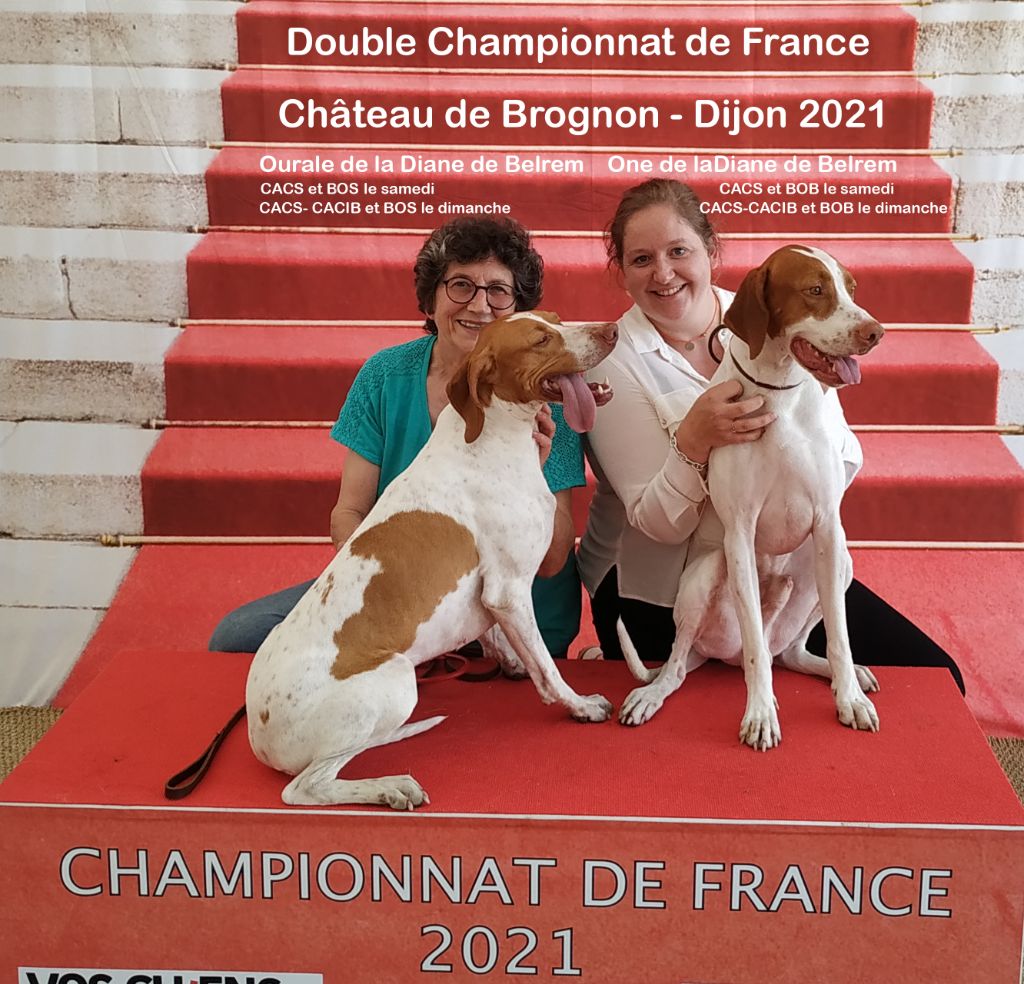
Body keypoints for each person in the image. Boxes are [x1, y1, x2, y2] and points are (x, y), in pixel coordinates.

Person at [578, 178, 965, 692]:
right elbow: (658, 525)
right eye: (642, 259)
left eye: (679, 251)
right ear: (622, 271)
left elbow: (843, 466)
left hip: (776, 567)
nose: (663, 273)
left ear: (710, 250)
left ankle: (790, 652)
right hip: (656, 585)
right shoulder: (614, 360)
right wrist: (693, 442)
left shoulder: (783, 314)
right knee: (710, 719)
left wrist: (811, 399)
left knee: (937, 679)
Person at [209, 216, 585, 659]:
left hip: (512, 609)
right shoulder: (385, 374)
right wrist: (383, 594)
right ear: (430, 299)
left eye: (499, 291)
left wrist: (531, 472)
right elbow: (349, 512)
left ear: (519, 310)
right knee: (239, 635)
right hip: (404, 589)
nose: (480, 305)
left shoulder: (545, 390)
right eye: (461, 285)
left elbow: (553, 561)